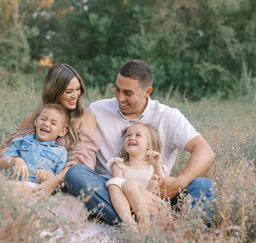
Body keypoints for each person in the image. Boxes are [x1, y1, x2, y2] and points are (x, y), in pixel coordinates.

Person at [65, 59, 216, 226]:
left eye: (128, 93)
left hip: (156, 196)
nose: (120, 97)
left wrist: (180, 182)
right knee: (76, 173)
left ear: (147, 92)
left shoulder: (167, 116)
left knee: (203, 185)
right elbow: (64, 130)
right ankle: (145, 224)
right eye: (117, 89)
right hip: (113, 195)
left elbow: (205, 151)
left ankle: (186, 232)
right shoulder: (98, 110)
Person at [0, 63, 102, 196]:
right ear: (54, 92)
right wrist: (14, 162)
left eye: (78, 89)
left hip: (62, 183)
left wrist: (53, 183)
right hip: (22, 179)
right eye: (69, 91)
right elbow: (10, 152)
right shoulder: (34, 118)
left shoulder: (85, 117)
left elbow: (81, 163)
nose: (75, 95)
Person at [0, 103, 69, 198]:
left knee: (8, 189)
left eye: (53, 123)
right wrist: (16, 160)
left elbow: (58, 181)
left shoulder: (60, 152)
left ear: (62, 132)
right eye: (43, 119)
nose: (46, 124)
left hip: (34, 186)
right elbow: (1, 164)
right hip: (11, 180)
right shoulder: (21, 141)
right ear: (36, 121)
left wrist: (49, 177)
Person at [106, 122, 167, 229]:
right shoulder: (118, 164)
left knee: (130, 183)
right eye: (128, 135)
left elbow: (165, 189)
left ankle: (145, 223)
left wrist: (157, 168)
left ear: (149, 144)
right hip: (126, 207)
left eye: (138, 135)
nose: (131, 138)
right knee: (113, 184)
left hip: (152, 208)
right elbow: (118, 190)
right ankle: (130, 224)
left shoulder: (153, 165)